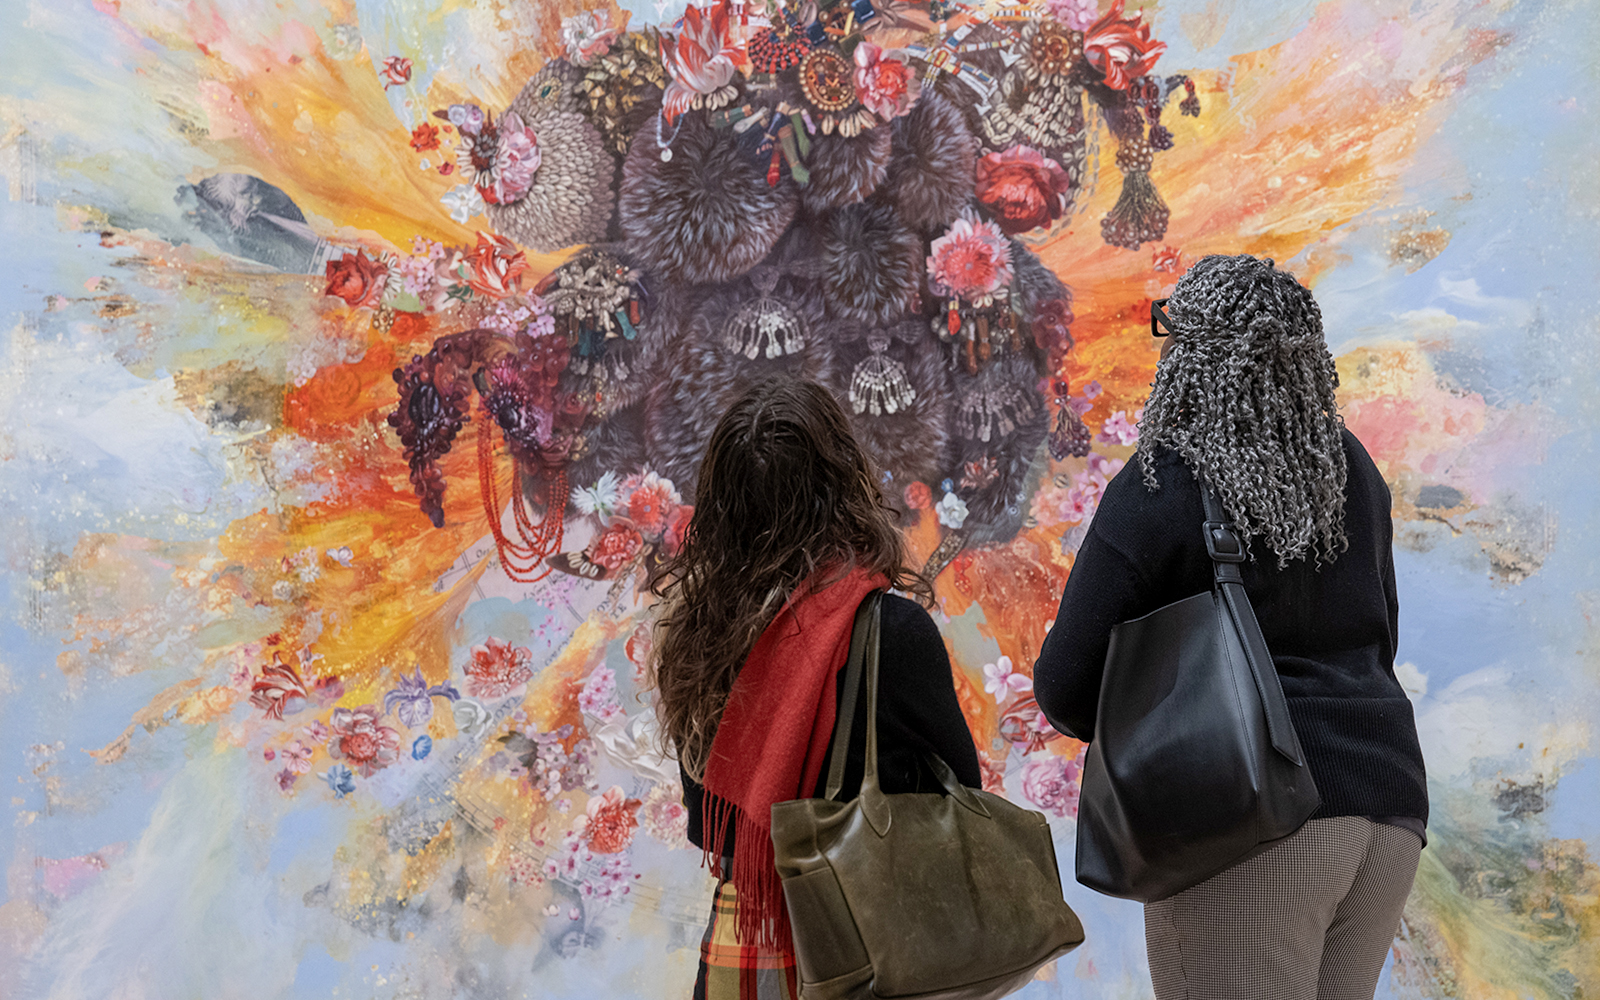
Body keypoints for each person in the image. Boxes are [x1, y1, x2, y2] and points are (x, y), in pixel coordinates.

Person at [1033, 255, 1428, 1000]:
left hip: (1250, 822)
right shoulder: (1352, 471)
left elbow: (1065, 687)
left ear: (1189, 354)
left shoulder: (1164, 481)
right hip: (1388, 813)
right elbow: (1381, 639)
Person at [648, 374, 982, 1000]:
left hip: (748, 941)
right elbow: (963, 796)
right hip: (878, 943)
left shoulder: (698, 632)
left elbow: (709, 826)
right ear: (843, 485)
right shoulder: (892, 632)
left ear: (721, 506)